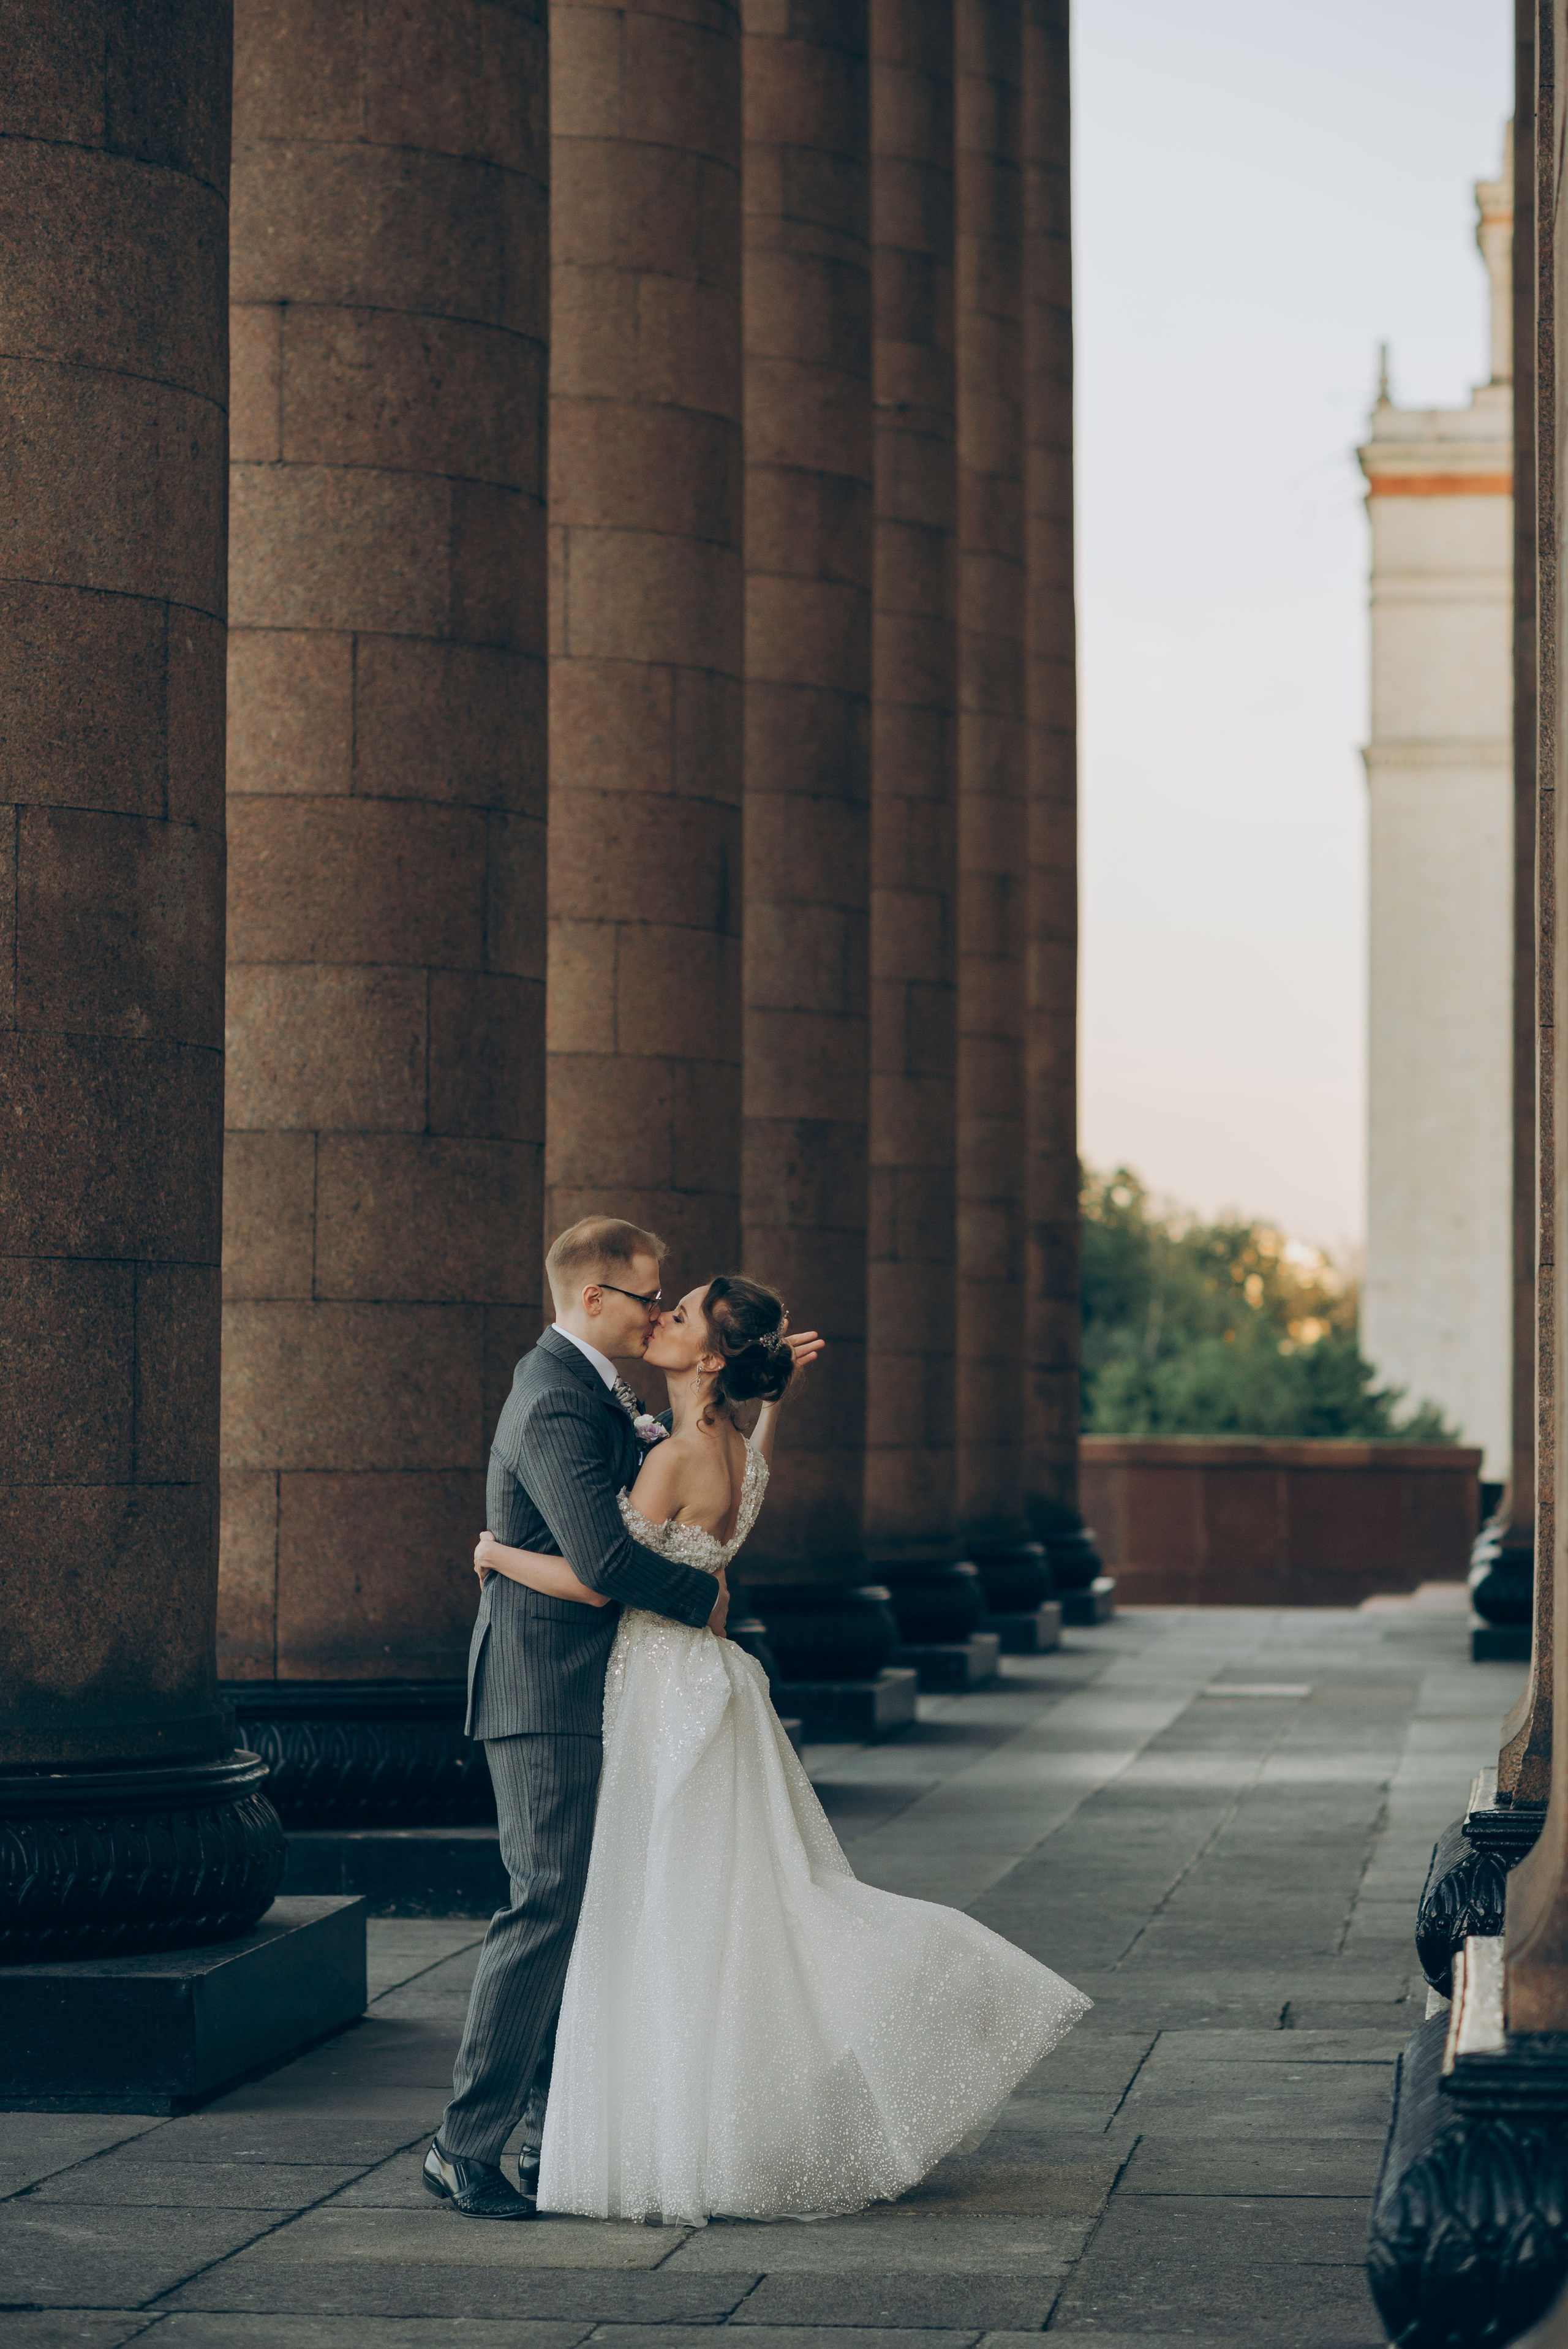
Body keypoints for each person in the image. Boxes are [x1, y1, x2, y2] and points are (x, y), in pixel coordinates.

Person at [470, 1271, 1090, 2225]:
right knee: (734, 1900)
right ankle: (684, 2123)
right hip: (714, 1688)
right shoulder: (744, 1456)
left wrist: (494, 1553)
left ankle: (661, 2129)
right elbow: (749, 1464)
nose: (662, 1314)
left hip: (661, 1692)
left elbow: (604, 1579)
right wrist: (773, 1401)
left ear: (711, 1357)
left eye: (680, 1314)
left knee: (666, 1906)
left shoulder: (676, 1455)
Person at [425, 1217, 739, 2220]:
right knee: (546, 1901)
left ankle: (553, 2130)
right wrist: (708, 1600)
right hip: (543, 1686)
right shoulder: (556, 1398)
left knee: (574, 1907)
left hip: (584, 1683)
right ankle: (462, 2146)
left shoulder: (597, 1392)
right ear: (595, 1299)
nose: (660, 1312)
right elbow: (602, 1567)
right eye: (651, 1297)